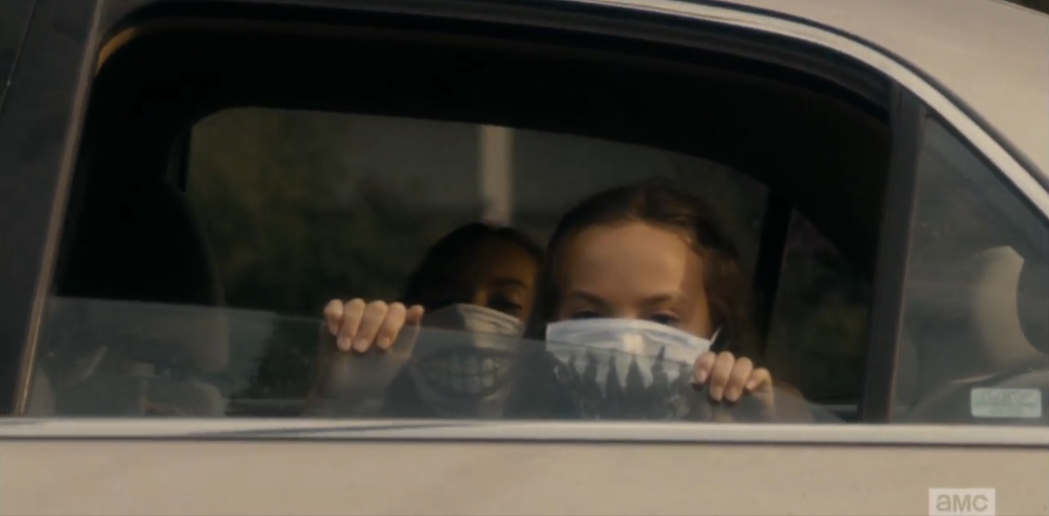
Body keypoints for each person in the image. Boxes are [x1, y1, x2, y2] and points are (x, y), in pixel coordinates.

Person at [322, 181, 793, 419]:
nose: (625, 342)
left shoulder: (757, 422)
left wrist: (760, 439)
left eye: (662, 319)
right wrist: (340, 400)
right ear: (545, 327)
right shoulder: (497, 451)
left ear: (718, 328)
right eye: (588, 314)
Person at [307, 222, 546, 417]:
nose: (467, 325)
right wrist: (339, 403)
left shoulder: (564, 437)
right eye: (444, 302)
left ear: (544, 324)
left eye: (506, 303)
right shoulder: (374, 439)